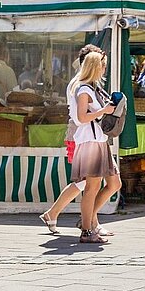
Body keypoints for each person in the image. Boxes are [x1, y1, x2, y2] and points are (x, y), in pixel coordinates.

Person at [40, 45, 106, 236]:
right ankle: (85, 222)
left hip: (86, 135)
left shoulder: (83, 82)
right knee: (86, 181)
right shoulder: (80, 84)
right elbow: (80, 115)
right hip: (82, 135)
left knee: (88, 181)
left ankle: (81, 219)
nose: (103, 67)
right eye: (100, 62)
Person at [68, 50, 122, 244]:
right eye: (103, 65)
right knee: (92, 188)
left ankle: (88, 223)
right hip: (90, 141)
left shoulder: (90, 88)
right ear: (95, 67)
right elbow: (82, 118)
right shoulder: (84, 89)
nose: (104, 69)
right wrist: (104, 110)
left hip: (97, 140)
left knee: (111, 184)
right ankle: (87, 229)